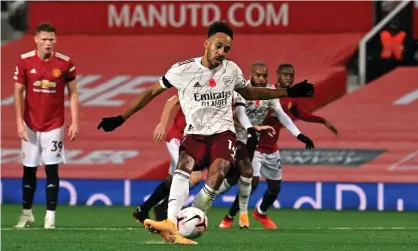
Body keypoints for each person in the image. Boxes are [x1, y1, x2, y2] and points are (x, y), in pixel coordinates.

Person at [97, 21, 314, 245]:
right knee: (184, 164)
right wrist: (121, 117)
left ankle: (195, 213)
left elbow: (249, 92)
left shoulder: (231, 70)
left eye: (226, 49)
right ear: (206, 43)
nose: (222, 52)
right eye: (218, 46)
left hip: (223, 133)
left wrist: (287, 91)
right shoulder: (182, 70)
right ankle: (172, 224)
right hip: (194, 133)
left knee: (218, 169)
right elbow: (151, 92)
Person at [220, 63, 337, 229]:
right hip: (254, 145)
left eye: (291, 75)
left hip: (272, 149)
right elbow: (239, 115)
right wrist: (253, 129)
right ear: (277, 75)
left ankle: (260, 212)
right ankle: (230, 216)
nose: (288, 78)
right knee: (250, 182)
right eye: (285, 75)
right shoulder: (260, 93)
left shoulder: (284, 98)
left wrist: (307, 130)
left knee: (274, 188)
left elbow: (293, 114)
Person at [13, 22, 79, 229]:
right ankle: (26, 214)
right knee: (29, 170)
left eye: (51, 39)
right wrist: (19, 123)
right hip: (30, 125)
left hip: (54, 125)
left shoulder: (65, 63)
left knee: (52, 169)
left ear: (55, 40)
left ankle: (50, 217)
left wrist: (75, 122)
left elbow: (74, 93)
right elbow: (18, 92)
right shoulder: (24, 61)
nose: (48, 43)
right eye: (44, 39)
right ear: (36, 40)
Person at [132, 96, 202, 223]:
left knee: (171, 181)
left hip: (190, 142)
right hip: (178, 139)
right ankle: (164, 209)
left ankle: (143, 210)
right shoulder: (195, 85)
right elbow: (171, 101)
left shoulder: (217, 92)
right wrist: (161, 125)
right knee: (194, 176)